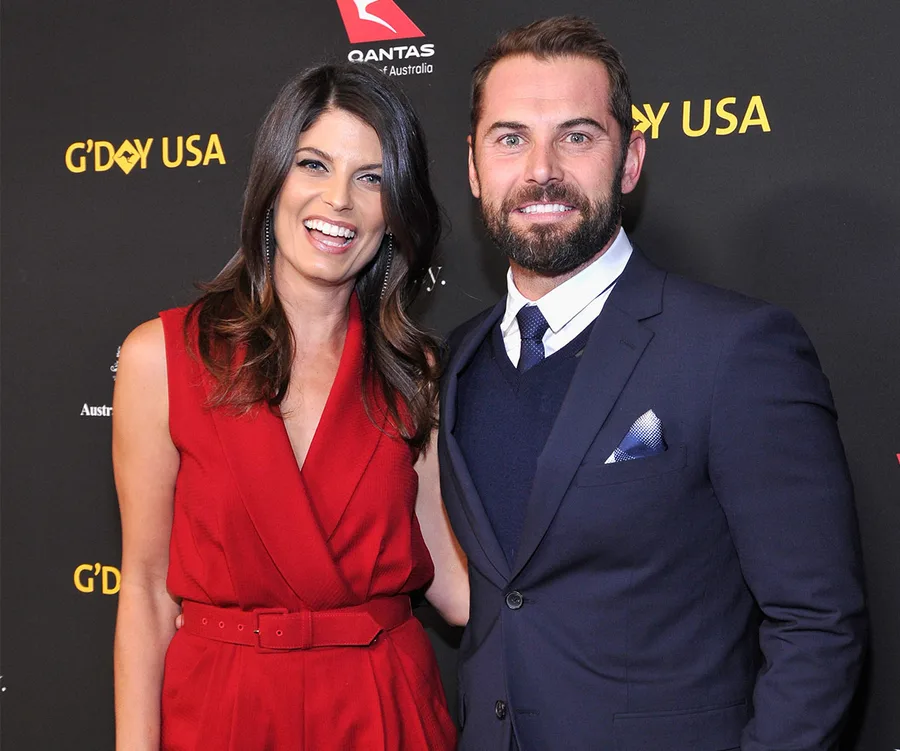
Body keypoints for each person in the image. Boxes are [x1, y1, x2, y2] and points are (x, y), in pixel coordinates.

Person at [438, 16, 866, 751]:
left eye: (576, 135)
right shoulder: (455, 362)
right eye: (510, 138)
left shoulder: (733, 349)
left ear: (629, 161)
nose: (541, 169)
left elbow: (818, 623)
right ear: (475, 168)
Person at [112, 63, 466, 750]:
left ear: (396, 211)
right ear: (273, 179)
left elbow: (453, 583)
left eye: (371, 177)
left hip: (384, 708)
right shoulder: (162, 357)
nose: (339, 200)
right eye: (314, 164)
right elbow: (149, 588)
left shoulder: (411, 370)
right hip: (224, 711)